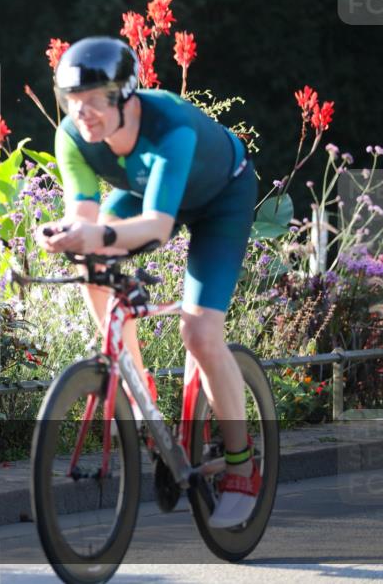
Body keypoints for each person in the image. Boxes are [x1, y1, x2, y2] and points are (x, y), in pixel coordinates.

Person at [33, 36, 259, 528]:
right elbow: (85, 215)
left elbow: (158, 227)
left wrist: (98, 232)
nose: (82, 113)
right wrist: (67, 233)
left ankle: (243, 466)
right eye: (72, 101)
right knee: (89, 255)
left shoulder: (169, 128)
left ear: (126, 96)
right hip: (147, 194)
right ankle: (139, 391)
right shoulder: (72, 136)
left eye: (94, 101)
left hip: (221, 198)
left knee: (199, 333)